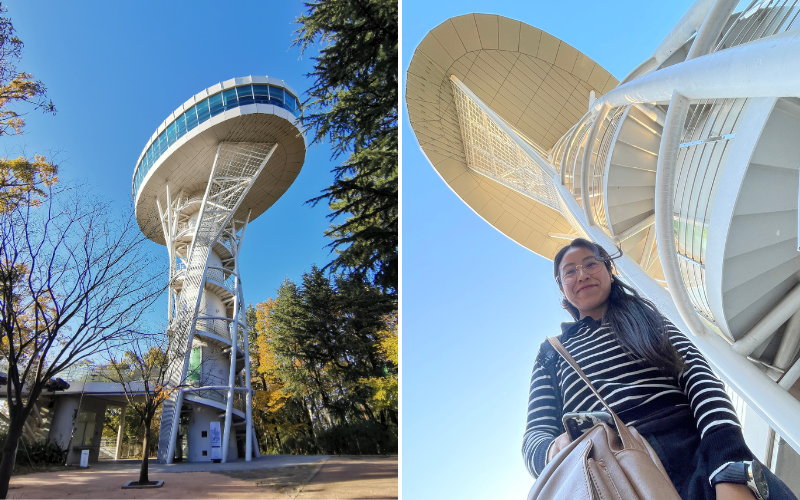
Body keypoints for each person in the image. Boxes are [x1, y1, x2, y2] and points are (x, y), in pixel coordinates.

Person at [522, 238, 797, 500]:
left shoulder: (647, 319)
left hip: (693, 449)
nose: (582, 275)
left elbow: (699, 379)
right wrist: (552, 452)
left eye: (591, 264)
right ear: (562, 288)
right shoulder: (552, 353)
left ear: (609, 271)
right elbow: (535, 435)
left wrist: (729, 464)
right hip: (607, 473)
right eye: (570, 271)